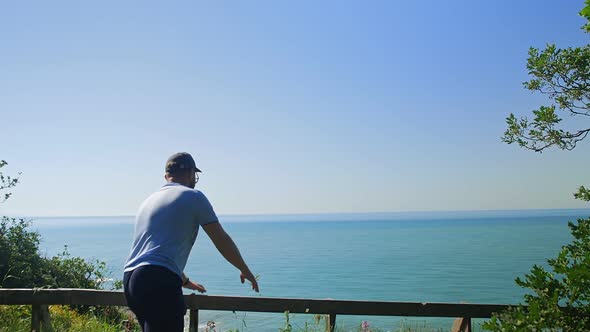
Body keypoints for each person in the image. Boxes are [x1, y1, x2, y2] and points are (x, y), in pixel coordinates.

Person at [123, 152, 259, 332]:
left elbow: (156, 253)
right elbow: (220, 238)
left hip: (132, 281)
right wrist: (244, 268)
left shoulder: (149, 201)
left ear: (166, 177)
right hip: (158, 280)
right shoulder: (193, 196)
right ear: (190, 173)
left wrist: (185, 282)